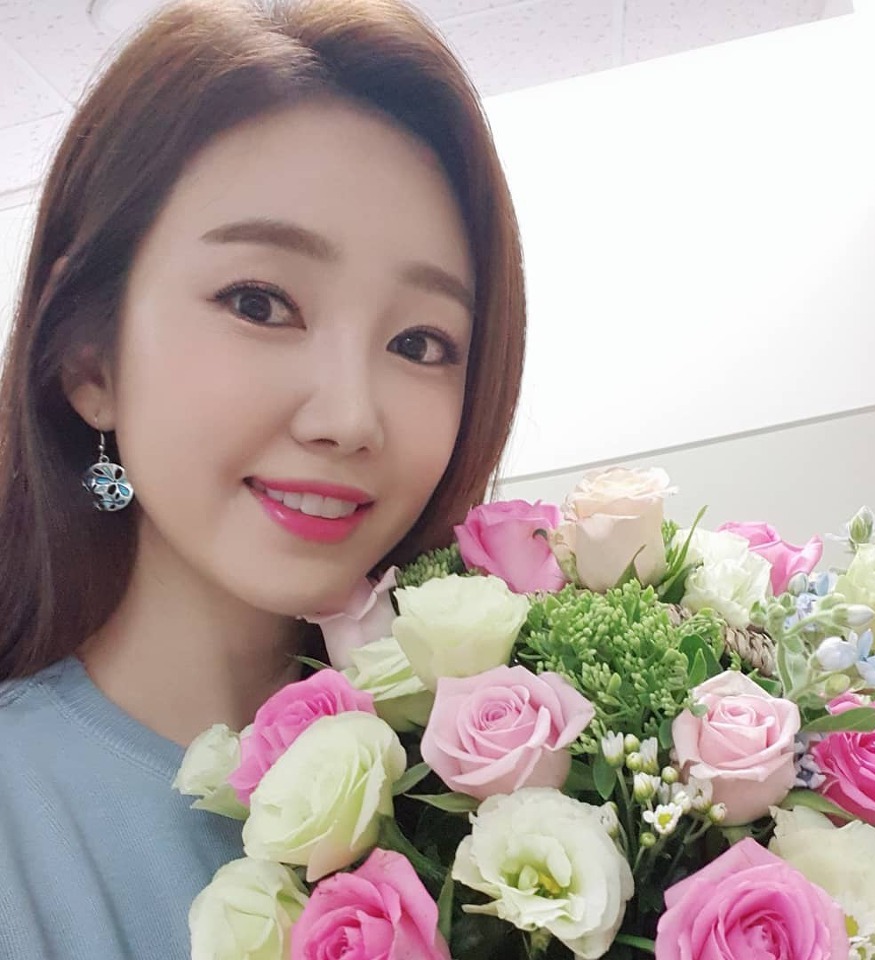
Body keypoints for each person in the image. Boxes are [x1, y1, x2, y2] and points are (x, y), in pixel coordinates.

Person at [0, 0, 525, 955]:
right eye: (260, 302)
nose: (350, 417)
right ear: (90, 359)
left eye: (420, 342)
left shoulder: (518, 774)